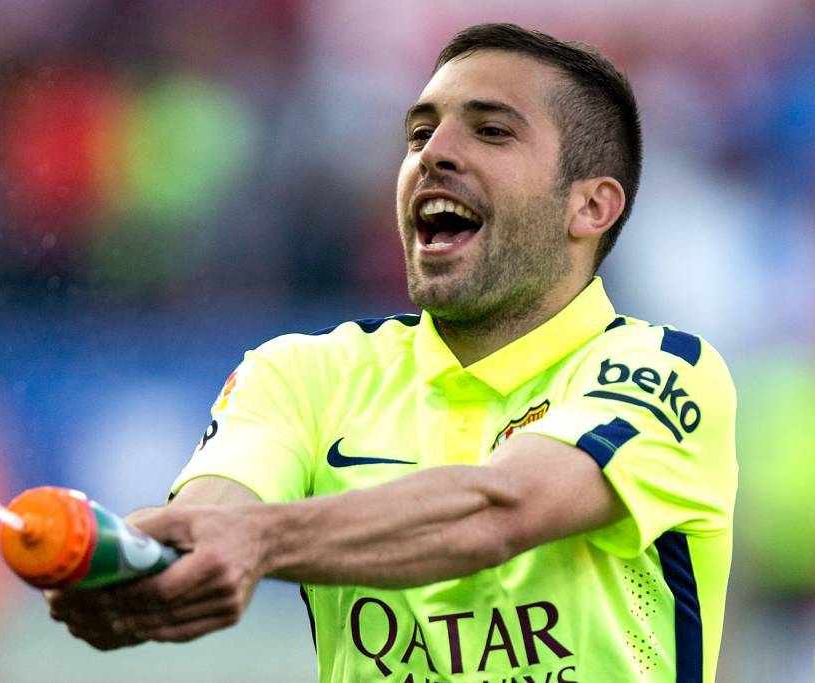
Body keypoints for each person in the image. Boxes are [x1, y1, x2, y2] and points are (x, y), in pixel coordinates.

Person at [49, 23, 736, 683]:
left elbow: (499, 510)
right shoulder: (305, 374)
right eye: (419, 133)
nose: (434, 153)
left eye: (492, 131)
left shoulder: (664, 371)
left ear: (590, 207)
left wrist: (256, 540)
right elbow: (216, 522)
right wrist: (140, 565)